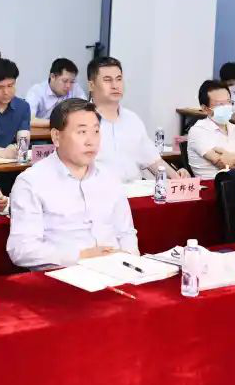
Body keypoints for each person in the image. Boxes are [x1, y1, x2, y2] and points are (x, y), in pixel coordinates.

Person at [7, 98, 138, 270]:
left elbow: (125, 232)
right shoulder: (31, 182)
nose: (91, 141)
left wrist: (130, 261)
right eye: (82, 132)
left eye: (96, 131)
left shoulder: (109, 177)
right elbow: (22, 250)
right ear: (56, 137)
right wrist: (81, 256)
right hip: (65, 274)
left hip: (117, 270)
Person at [87, 56, 189, 182]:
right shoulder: (81, 120)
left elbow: (153, 160)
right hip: (98, 190)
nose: (115, 85)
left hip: (135, 189)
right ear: (91, 85)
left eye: (119, 79)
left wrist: (178, 178)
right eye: (107, 80)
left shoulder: (132, 119)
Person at [187, 80, 235, 179]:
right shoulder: (198, 131)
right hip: (213, 185)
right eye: (220, 104)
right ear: (205, 108)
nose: (226, 107)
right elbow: (223, 164)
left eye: (228, 102)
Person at [24, 57, 86, 128]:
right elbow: (28, 119)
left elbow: (86, 111)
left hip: (65, 131)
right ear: (52, 77)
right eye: (65, 81)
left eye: (72, 81)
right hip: (41, 132)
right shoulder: (37, 91)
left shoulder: (75, 88)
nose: (68, 86)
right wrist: (59, 123)